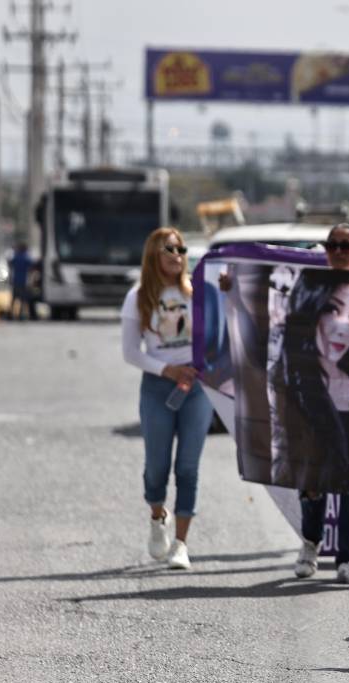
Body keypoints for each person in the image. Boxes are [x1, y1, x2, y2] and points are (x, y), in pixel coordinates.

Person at [284, 222, 349, 585]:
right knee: (312, 478)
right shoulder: (308, 284)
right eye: (333, 245)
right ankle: (310, 543)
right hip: (310, 392)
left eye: (347, 245)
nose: (339, 251)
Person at [120, 227, 213, 570]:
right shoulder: (139, 296)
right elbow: (131, 352)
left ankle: (181, 544)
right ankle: (158, 514)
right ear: (153, 255)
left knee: (188, 467)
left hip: (197, 388)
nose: (176, 255)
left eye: (181, 249)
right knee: (157, 466)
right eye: (169, 249)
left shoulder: (199, 293)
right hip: (159, 387)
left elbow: (222, 329)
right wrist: (167, 370)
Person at [8, 242, 38, 321]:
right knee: (22, 299)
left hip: (16, 281)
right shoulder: (26, 257)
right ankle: (21, 315)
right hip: (24, 282)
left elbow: (10, 263)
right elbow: (32, 267)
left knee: (14, 299)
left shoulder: (16, 257)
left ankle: (11, 314)